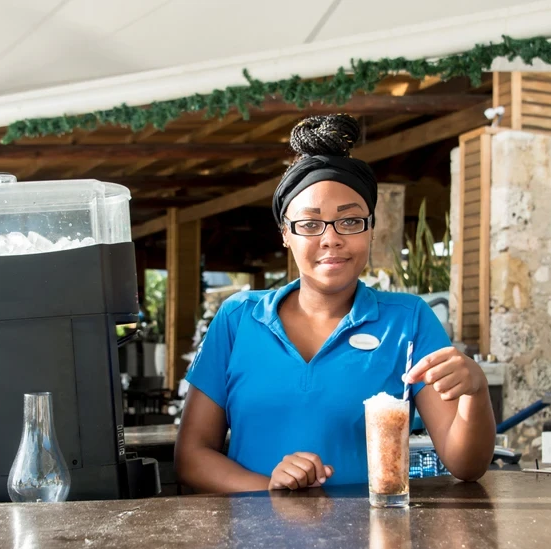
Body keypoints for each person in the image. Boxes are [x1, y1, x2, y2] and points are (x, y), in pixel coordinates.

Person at [175, 114, 495, 493]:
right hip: (255, 544)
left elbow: (466, 465)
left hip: (374, 542)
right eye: (310, 224)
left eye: (350, 222)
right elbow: (191, 456)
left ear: (371, 229)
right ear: (285, 236)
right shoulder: (238, 318)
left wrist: (476, 392)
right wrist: (271, 488)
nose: (331, 239)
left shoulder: (408, 321)